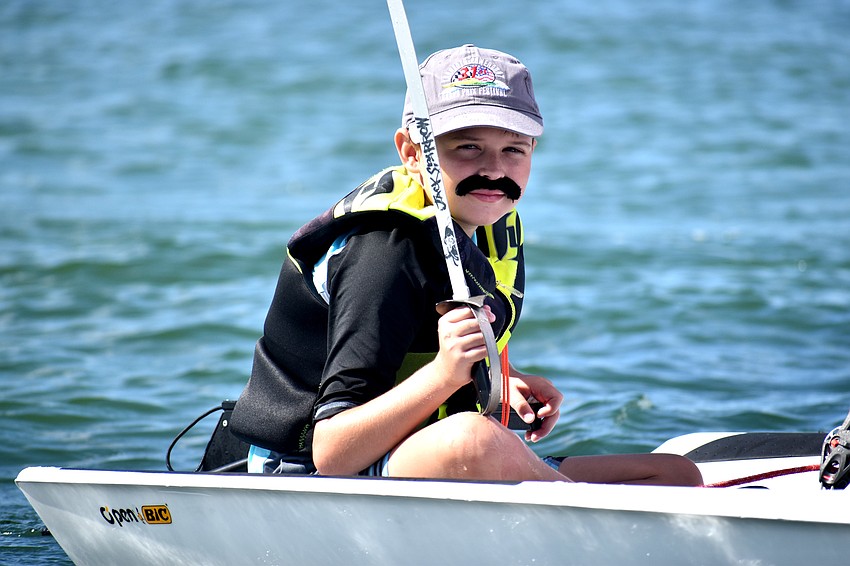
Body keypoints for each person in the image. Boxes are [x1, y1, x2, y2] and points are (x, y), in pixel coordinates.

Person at [229, 44, 702, 486]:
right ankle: (582, 511)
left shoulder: (487, 221)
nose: (494, 169)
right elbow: (332, 452)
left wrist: (497, 382)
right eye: (467, 148)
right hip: (308, 475)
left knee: (673, 475)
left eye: (513, 149)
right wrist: (445, 375)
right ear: (413, 154)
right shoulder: (385, 253)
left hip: (418, 450)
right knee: (473, 439)